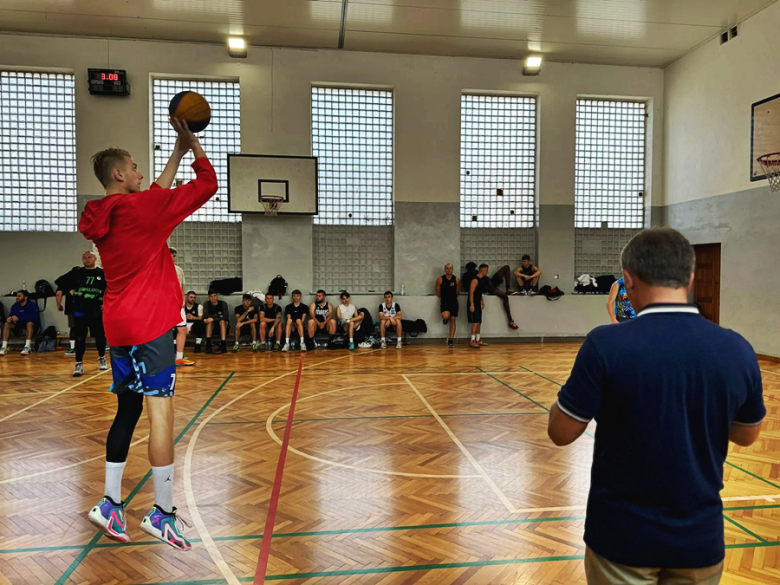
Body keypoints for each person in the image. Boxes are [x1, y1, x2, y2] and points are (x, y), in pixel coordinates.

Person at [548, 228, 765, 585]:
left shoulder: (605, 345)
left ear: (628, 281)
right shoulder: (736, 348)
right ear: (691, 278)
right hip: (699, 539)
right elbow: (747, 435)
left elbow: (561, 432)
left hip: (621, 538)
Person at [79, 117, 217, 549]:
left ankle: (109, 505)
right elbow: (207, 184)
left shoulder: (107, 212)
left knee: (127, 411)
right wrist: (194, 145)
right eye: (136, 167)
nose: (143, 173)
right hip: (150, 324)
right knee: (162, 414)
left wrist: (175, 151)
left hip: (117, 323)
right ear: (119, 173)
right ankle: (163, 514)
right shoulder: (142, 209)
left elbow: (154, 192)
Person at [60, 251, 108, 377]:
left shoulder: (102, 273)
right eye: (84, 258)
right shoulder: (77, 272)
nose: (87, 260)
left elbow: (112, 288)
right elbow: (60, 282)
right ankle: (78, 363)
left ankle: (102, 357)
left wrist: (107, 302)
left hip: (96, 310)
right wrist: (69, 290)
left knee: (100, 336)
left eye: (89, 257)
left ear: (95, 258)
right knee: (80, 337)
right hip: (80, 310)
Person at [462, 262, 518, 331]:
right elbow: (470, 290)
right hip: (485, 289)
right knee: (504, 297)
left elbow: (486, 278)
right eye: (471, 269)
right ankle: (510, 320)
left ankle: (508, 288)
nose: (473, 270)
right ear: (468, 269)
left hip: (489, 284)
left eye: (474, 269)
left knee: (506, 267)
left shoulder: (479, 273)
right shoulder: (467, 277)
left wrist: (491, 286)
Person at [170, 247, 193, 367]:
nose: (172, 258)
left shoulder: (179, 270)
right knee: (165, 331)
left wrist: (182, 301)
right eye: (170, 255)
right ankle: (163, 357)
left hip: (178, 304)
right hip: (165, 305)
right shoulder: (159, 269)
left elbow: (182, 287)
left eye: (174, 256)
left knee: (182, 329)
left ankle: (179, 357)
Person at [0, 290, 42, 356]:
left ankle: (27, 347)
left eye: (19, 296)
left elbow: (34, 318)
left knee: (29, 323)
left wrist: (19, 319)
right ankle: (3, 347)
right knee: (7, 324)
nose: (17, 297)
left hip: (33, 329)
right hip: (19, 328)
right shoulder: (15, 306)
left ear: (25, 297)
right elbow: (11, 315)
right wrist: (9, 319)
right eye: (17, 296)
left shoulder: (33, 306)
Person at [55, 259, 83, 356]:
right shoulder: (84, 278)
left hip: (71, 307)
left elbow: (59, 293)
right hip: (86, 306)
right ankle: (103, 345)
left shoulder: (65, 279)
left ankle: (72, 348)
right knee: (94, 324)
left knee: (73, 327)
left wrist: (59, 304)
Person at [435, 263, 460, 348]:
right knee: (446, 316)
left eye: (450, 268)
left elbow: (457, 292)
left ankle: (451, 339)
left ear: (452, 269)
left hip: (453, 301)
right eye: (447, 268)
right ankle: (446, 319)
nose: (449, 270)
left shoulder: (456, 280)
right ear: (445, 270)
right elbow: (438, 293)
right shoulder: (440, 280)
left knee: (453, 319)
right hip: (445, 301)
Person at [468, 264, 489, 349]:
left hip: (478, 302)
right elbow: (471, 292)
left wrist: (482, 300)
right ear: (482, 270)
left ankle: (478, 339)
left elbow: (479, 292)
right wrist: (472, 304)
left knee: (479, 322)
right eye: (486, 270)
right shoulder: (475, 280)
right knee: (475, 322)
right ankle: (472, 340)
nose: (487, 272)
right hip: (473, 303)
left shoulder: (482, 280)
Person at [203, 290, 229, 355]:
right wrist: (217, 317)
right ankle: (208, 345)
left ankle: (223, 345)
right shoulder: (206, 304)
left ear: (217, 296)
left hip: (223, 326)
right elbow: (206, 316)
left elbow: (225, 317)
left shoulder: (223, 304)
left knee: (222, 321)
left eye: (215, 296)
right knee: (209, 322)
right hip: (211, 327)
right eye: (211, 296)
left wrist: (213, 318)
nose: (213, 298)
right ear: (209, 297)